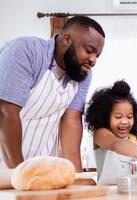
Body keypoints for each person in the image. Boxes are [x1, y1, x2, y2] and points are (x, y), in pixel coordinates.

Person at [0, 16, 105, 171]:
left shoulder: (83, 74)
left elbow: (71, 120)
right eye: (89, 51)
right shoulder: (26, 51)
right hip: (7, 167)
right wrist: (19, 173)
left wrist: (76, 176)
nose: (94, 60)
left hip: (39, 169)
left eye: (98, 55)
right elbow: (5, 111)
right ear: (67, 40)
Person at [85, 80, 137, 184]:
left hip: (132, 193)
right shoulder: (101, 133)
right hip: (107, 194)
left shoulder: (135, 136)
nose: (124, 121)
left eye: (129, 117)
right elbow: (116, 144)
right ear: (106, 116)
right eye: (118, 117)